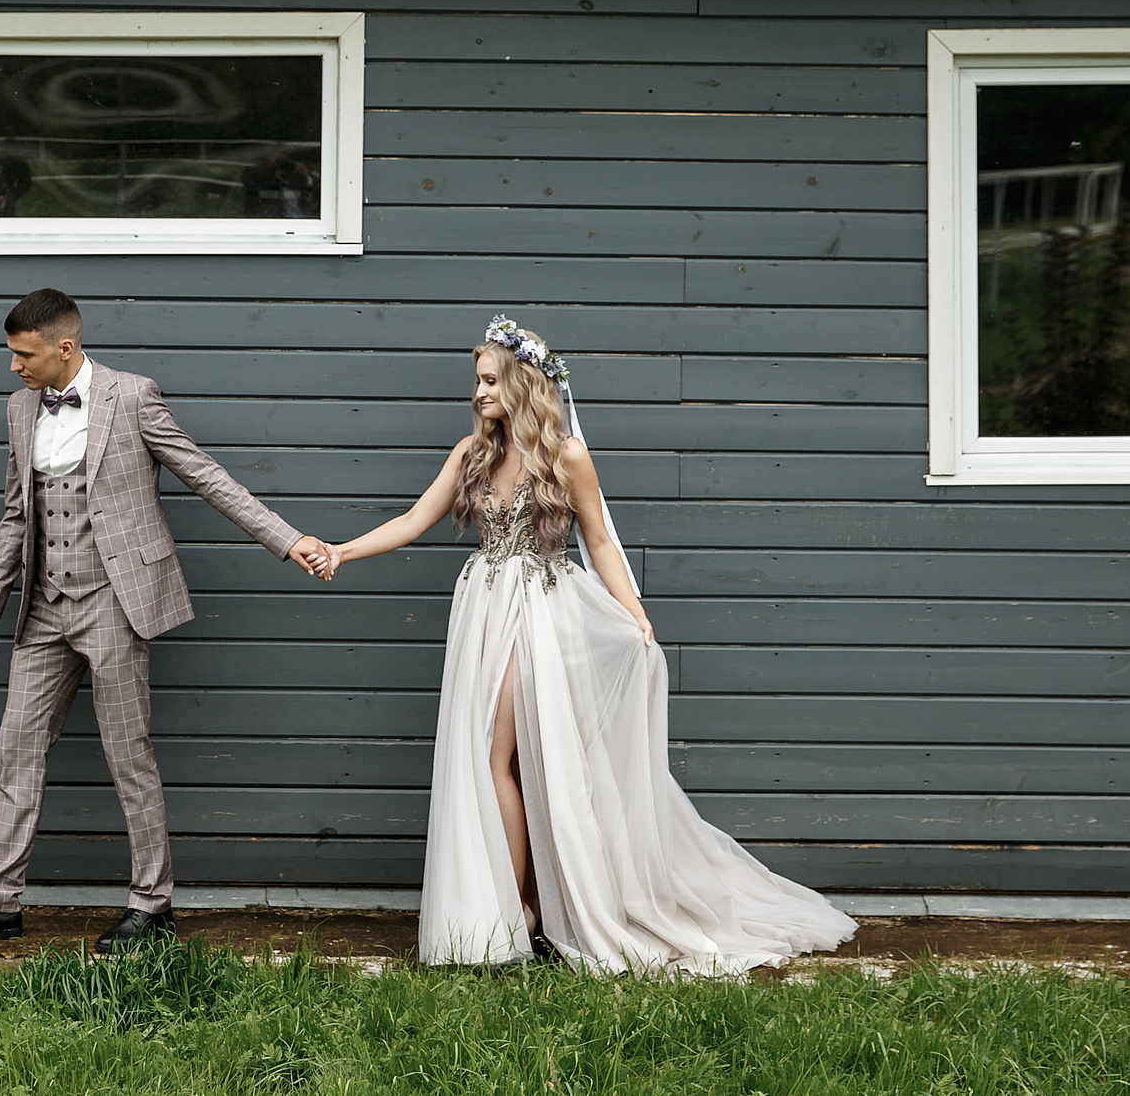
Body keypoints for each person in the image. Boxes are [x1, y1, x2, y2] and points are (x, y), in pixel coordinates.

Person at [325, 316, 856, 975]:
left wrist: (636, 615)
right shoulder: (471, 454)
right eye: (477, 380)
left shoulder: (567, 456)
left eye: (490, 380)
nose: (479, 392)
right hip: (484, 608)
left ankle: (519, 913)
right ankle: (517, 907)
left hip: (540, 611)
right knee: (497, 758)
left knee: (498, 755)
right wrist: (342, 551)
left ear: (522, 382)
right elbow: (413, 520)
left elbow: (599, 540)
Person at [0, 288, 337, 953]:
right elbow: (17, 512)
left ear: (64, 347)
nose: (14, 366)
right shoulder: (19, 407)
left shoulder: (133, 395)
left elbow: (207, 475)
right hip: (43, 607)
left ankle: (151, 904)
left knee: (128, 754)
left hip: (114, 600)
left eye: (24, 355)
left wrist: (288, 539)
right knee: (16, 744)